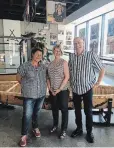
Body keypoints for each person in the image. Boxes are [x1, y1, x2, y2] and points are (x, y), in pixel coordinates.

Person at [69, 37, 105, 143]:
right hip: (76, 88)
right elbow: (70, 71)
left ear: (83, 43)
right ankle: (79, 129)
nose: (77, 45)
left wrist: (98, 82)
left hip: (87, 88)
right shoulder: (72, 57)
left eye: (79, 43)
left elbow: (102, 68)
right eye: (75, 43)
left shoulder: (91, 55)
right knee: (77, 111)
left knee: (88, 111)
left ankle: (89, 132)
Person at [17, 48, 47, 147]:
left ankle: (35, 127)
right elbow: (18, 77)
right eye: (37, 54)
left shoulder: (43, 66)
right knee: (27, 115)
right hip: (29, 95)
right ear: (32, 54)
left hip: (41, 94)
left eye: (41, 54)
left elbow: (46, 77)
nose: (39, 56)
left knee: (36, 113)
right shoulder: (25, 66)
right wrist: (25, 86)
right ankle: (24, 135)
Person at [47, 45, 69, 139]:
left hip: (62, 90)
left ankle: (63, 129)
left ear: (61, 52)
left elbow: (67, 77)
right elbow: (47, 77)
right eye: (55, 50)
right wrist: (50, 89)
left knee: (64, 109)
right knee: (54, 108)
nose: (57, 52)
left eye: (59, 50)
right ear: (53, 52)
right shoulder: (50, 64)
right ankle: (55, 125)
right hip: (53, 90)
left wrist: (59, 89)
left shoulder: (64, 62)